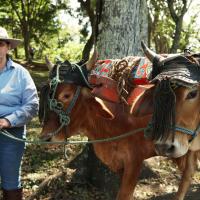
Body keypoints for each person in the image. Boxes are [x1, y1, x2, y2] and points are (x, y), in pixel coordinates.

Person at [0, 27, 39, 200]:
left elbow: (32, 105)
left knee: (10, 181)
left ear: (8, 47)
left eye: (0, 44)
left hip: (11, 134)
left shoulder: (21, 73)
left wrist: (8, 121)